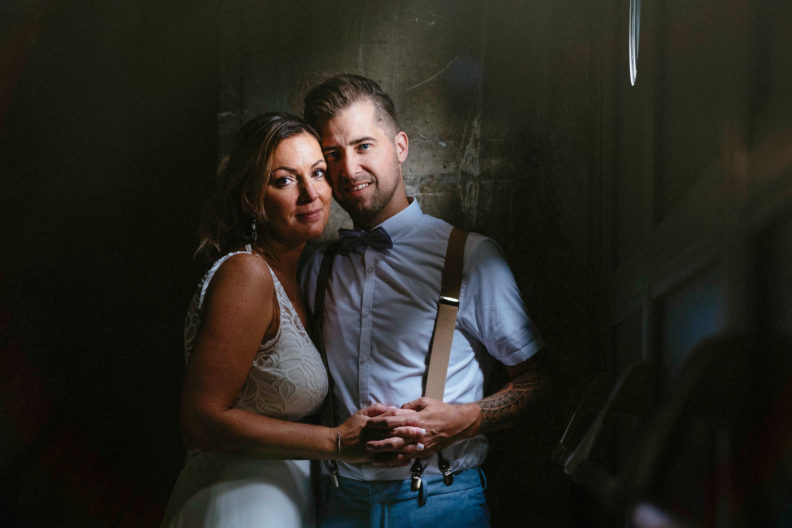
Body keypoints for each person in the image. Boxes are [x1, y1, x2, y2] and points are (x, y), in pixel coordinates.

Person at [300, 74, 547, 527]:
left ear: (400, 146)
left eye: (363, 146)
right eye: (332, 155)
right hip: (338, 506)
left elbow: (539, 384)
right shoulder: (317, 267)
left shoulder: (470, 255)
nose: (348, 168)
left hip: (443, 504)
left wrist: (464, 418)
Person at [161, 112, 422, 528]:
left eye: (318, 173)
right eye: (284, 180)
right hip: (237, 502)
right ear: (250, 195)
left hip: (285, 499)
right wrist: (337, 441)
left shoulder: (302, 275)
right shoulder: (246, 274)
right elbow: (200, 421)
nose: (310, 193)